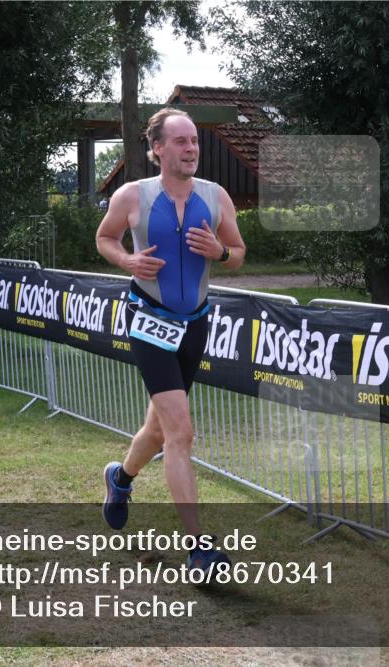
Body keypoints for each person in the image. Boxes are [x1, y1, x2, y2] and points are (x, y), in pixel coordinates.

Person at [95, 108, 246, 573]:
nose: (191, 149)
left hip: (194, 323)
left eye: (194, 141)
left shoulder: (215, 196)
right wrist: (128, 262)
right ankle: (199, 548)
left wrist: (220, 252)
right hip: (148, 320)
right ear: (157, 148)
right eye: (180, 141)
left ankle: (120, 478)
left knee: (159, 429)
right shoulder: (132, 195)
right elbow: (105, 238)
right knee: (180, 432)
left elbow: (238, 253)